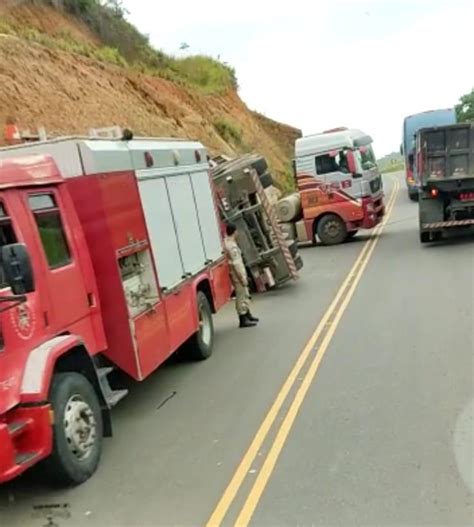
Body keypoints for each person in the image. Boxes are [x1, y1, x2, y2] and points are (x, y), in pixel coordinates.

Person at [223, 223, 259, 328]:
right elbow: (236, 263)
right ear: (234, 232)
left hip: (236, 273)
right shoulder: (232, 246)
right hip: (237, 274)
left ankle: (248, 314)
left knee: (245, 293)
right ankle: (243, 318)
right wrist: (242, 277)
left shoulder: (227, 242)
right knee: (241, 295)